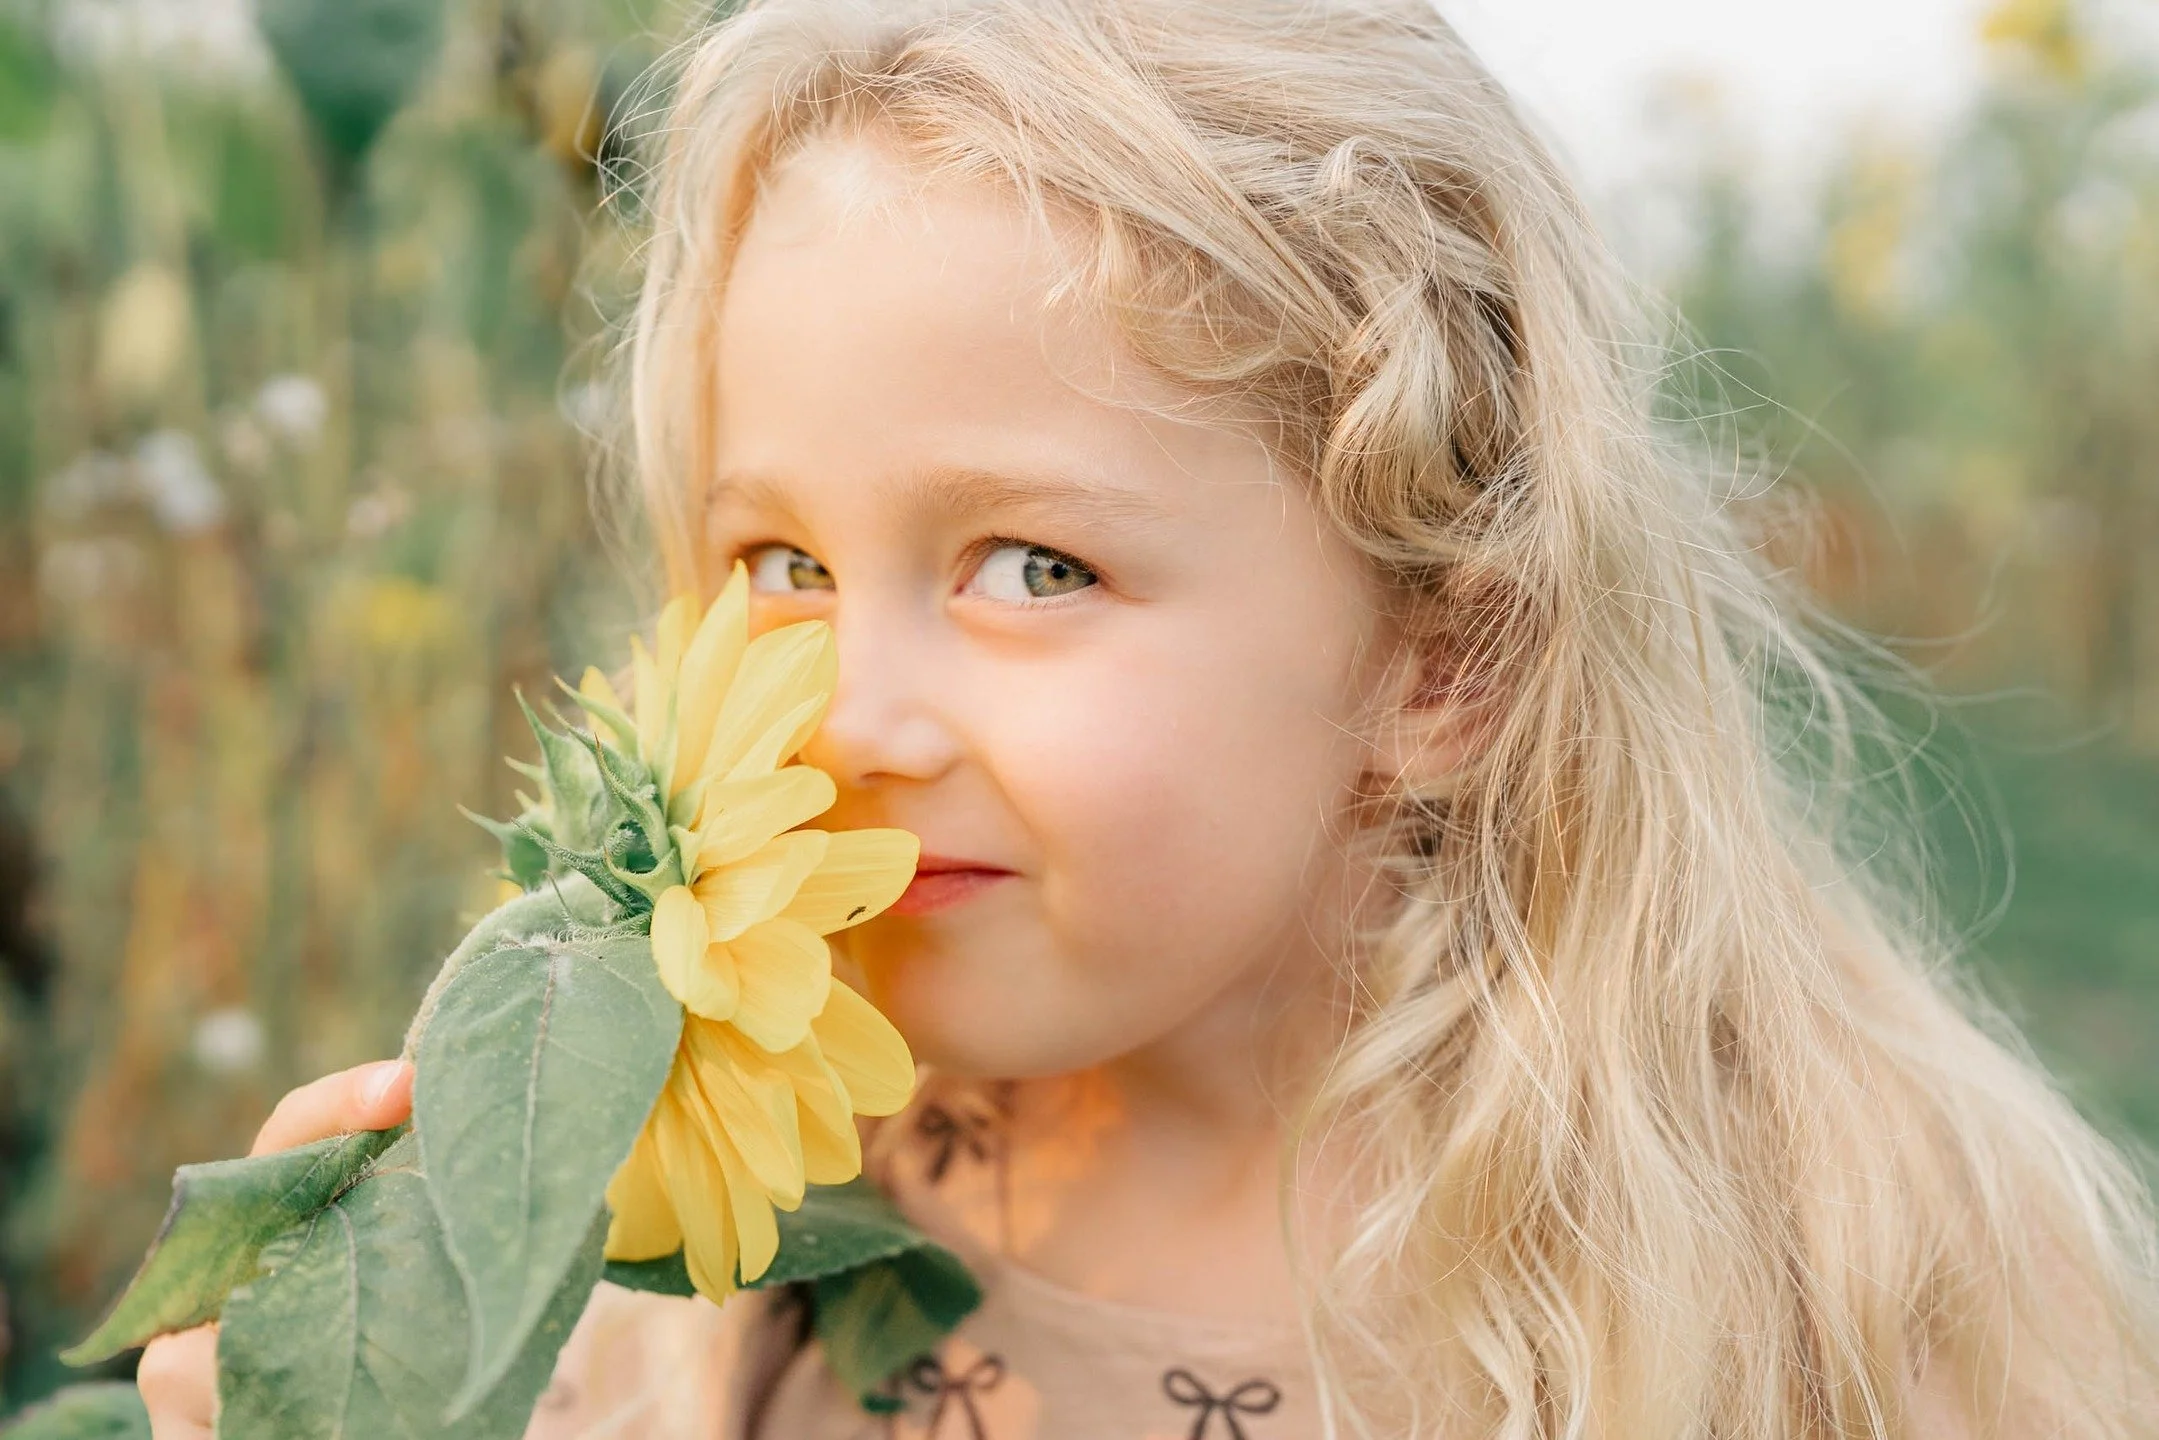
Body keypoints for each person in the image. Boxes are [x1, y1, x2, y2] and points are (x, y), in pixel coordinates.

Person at [137, 1, 2159, 1435]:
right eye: (780, 568)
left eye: (1032, 568)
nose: (841, 717)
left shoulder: (1833, 1286)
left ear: (1436, 664)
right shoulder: (708, 1192)